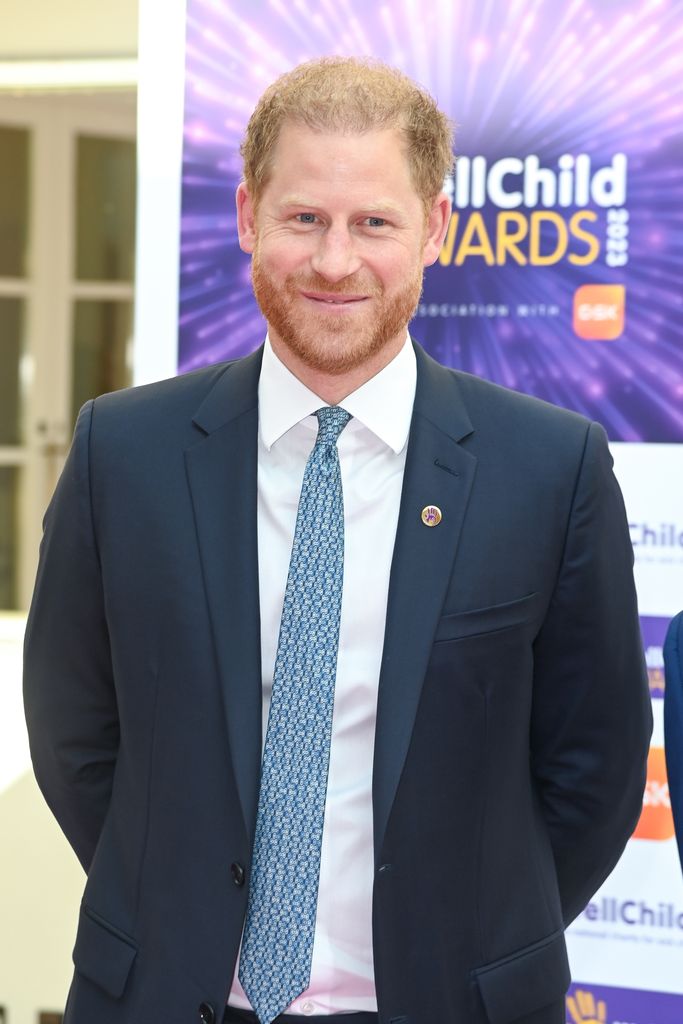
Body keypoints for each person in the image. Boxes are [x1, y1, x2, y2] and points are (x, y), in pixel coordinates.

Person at [24, 57, 651, 1024]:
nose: (333, 262)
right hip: (164, 998)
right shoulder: (124, 451)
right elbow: (75, 732)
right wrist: (172, 902)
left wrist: (471, 934)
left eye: (373, 223)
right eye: (304, 218)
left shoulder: (549, 468)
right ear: (246, 216)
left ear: (434, 230)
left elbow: (594, 766)